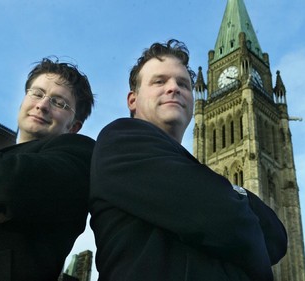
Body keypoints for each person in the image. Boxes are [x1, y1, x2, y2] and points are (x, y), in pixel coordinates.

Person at [89, 40, 287, 281]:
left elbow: (277, 238)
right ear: (132, 100)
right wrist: (238, 201)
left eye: (183, 83)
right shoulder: (119, 141)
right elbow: (225, 218)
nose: (173, 88)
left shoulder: (191, 170)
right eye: (159, 81)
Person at [0, 57, 95, 281]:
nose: (42, 105)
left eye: (58, 102)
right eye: (37, 93)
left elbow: (7, 183)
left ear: (74, 126)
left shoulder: (80, 153)